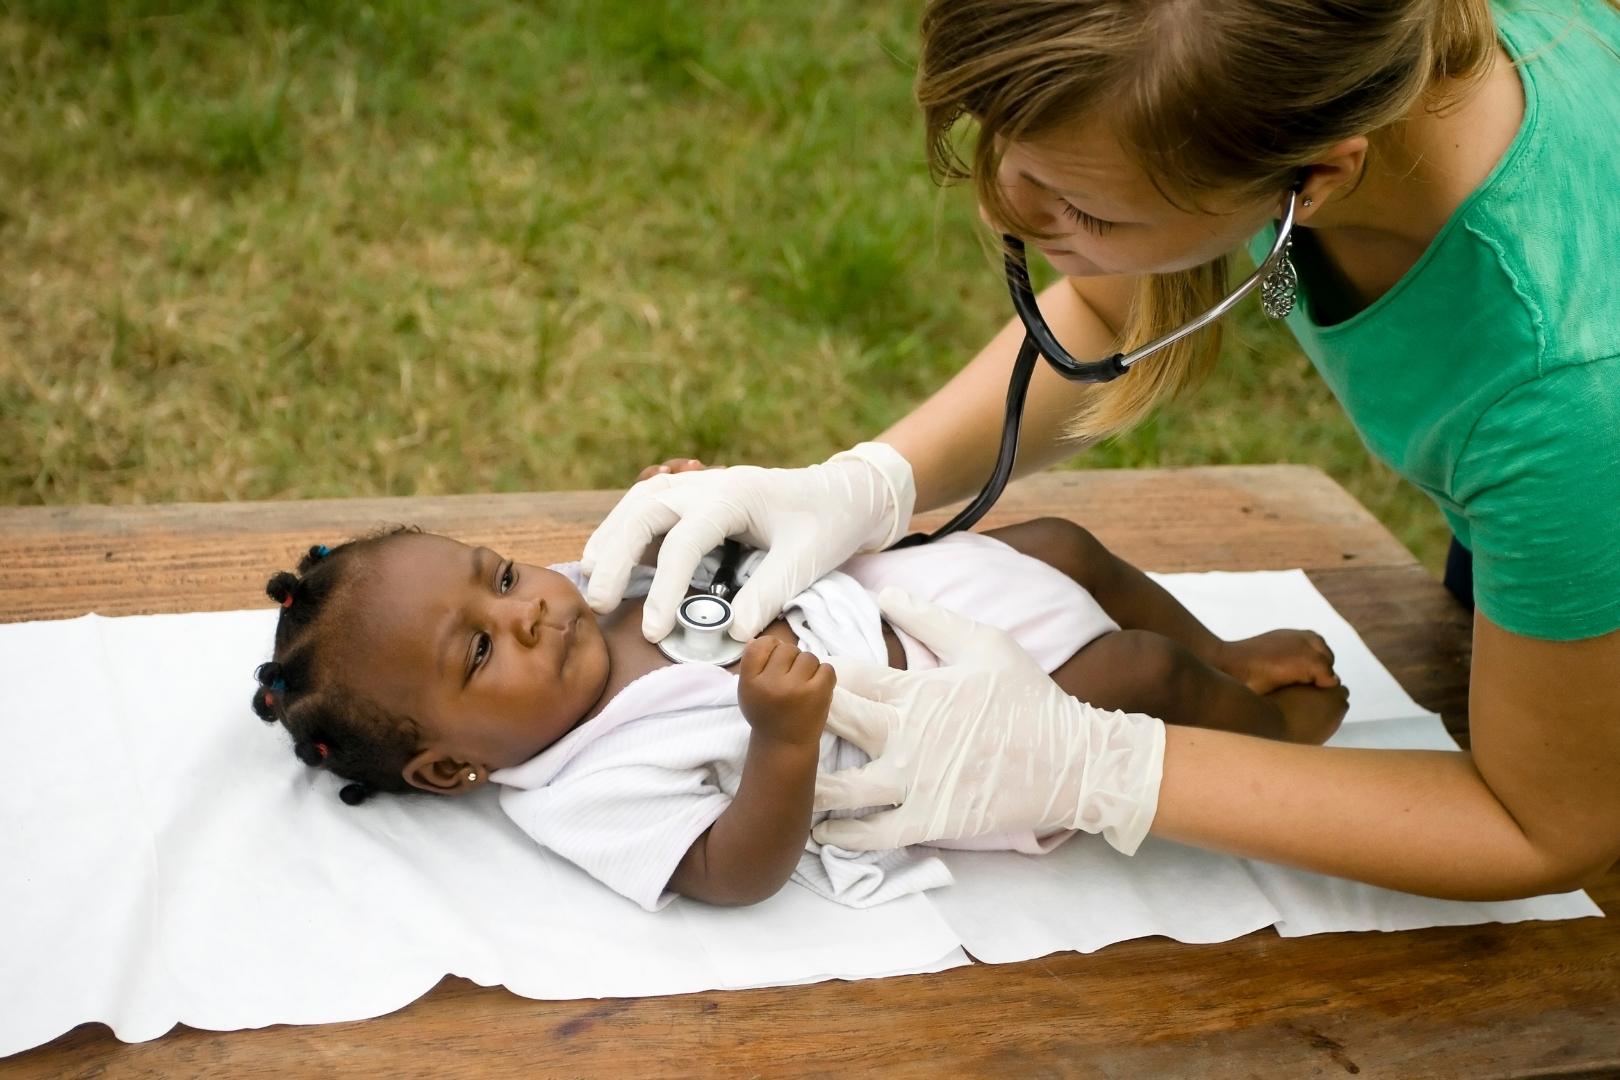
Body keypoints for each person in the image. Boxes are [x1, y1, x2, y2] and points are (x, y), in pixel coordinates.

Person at [581, 0, 1620, 901]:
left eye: (1086, 211)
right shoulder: (1352, 57)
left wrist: (1103, 768)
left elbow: (1544, 825)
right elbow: (1110, 304)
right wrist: (866, 484)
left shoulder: (1560, 396)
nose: (1004, 211)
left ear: (1317, 178)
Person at [248, 514, 1345, 909]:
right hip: (955, 729)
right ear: (451, 767)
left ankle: (1228, 653)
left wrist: (694, 504)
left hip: (912, 601)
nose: (528, 610)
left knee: (1062, 545)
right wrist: (783, 742)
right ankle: (1279, 746)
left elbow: (725, 552)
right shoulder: (580, 789)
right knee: (1144, 677)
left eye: (498, 574)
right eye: (479, 650)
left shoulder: (595, 589)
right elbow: (732, 874)